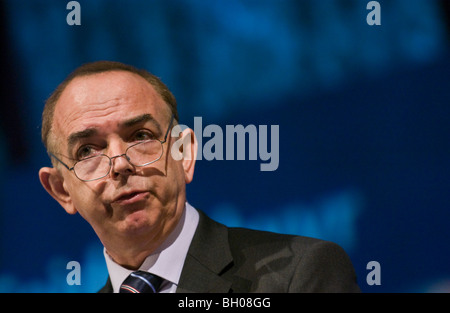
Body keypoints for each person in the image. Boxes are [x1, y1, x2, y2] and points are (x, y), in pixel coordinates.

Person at [38, 60, 360, 293]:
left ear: (185, 153)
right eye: (87, 151)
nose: (120, 164)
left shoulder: (298, 274)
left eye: (140, 136)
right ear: (61, 190)